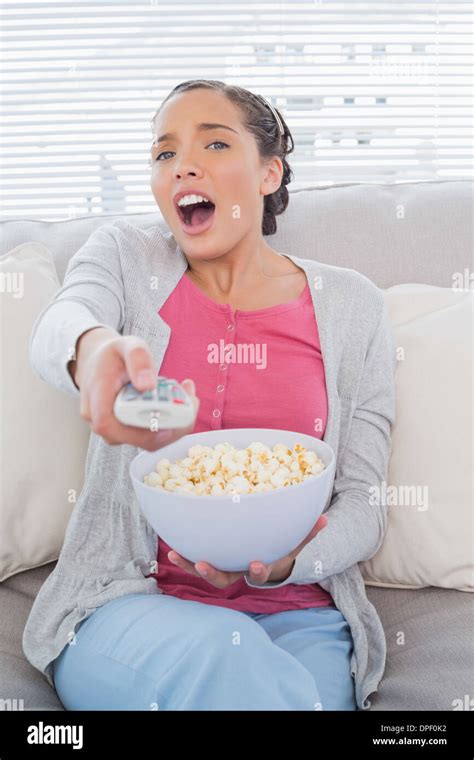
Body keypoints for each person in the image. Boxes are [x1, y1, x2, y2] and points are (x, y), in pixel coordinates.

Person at [23, 80, 397, 711]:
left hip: (300, 613)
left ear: (269, 172)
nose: (182, 165)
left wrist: (286, 565)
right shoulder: (125, 256)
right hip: (130, 604)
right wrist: (92, 354)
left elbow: (363, 498)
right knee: (227, 658)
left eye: (214, 143)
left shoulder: (354, 305)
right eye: (164, 153)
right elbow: (63, 322)